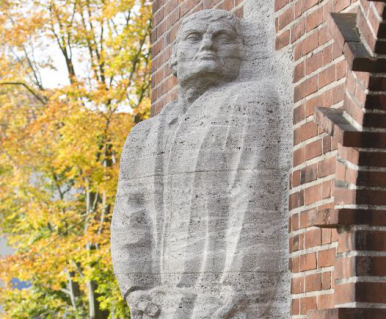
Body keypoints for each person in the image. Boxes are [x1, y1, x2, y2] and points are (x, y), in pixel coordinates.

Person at [111, 9, 288, 319]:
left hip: (221, 301)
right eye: (194, 37)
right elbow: (129, 218)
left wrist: (237, 291)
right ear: (174, 57)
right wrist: (136, 290)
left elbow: (251, 196)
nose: (208, 44)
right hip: (162, 305)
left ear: (241, 53)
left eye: (222, 38)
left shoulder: (249, 102)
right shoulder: (142, 136)